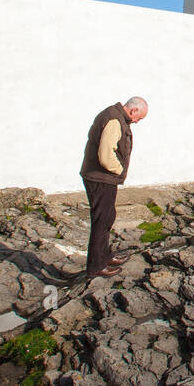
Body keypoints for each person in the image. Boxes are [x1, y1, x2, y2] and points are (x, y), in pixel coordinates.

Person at [80, 96, 148, 278]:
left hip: (102, 177)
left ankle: (105, 256)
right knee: (101, 221)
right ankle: (96, 267)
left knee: (107, 217)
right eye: (139, 118)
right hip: (101, 178)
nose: (137, 121)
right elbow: (105, 155)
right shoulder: (114, 120)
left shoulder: (115, 115)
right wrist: (118, 170)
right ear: (133, 110)